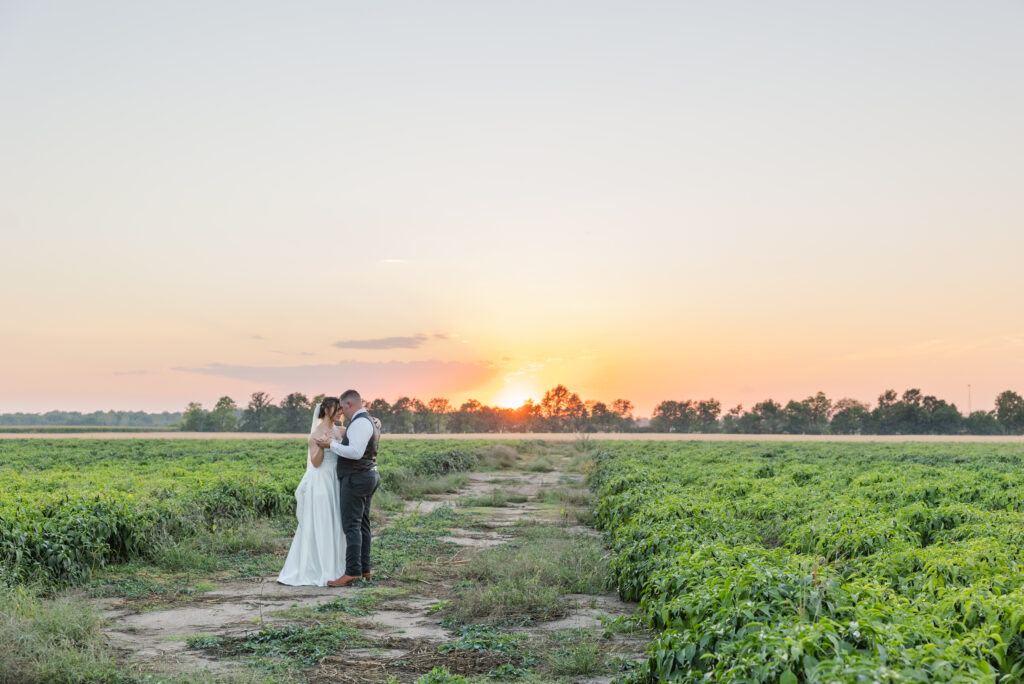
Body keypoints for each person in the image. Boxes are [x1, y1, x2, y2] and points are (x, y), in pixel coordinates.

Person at [276, 398, 346, 586]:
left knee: (336, 520)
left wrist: (374, 423)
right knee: (323, 521)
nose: (340, 411)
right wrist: (324, 447)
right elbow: (315, 463)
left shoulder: (340, 430)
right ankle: (322, 567)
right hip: (323, 481)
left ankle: (340, 565)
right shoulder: (315, 434)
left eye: (341, 409)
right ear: (326, 409)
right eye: (337, 408)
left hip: (336, 480)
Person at [315, 389, 381, 587]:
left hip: (357, 477)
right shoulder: (367, 420)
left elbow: (355, 452)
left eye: (342, 408)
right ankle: (364, 569)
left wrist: (331, 445)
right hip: (366, 475)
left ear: (350, 404)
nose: (341, 413)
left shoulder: (360, 423)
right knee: (362, 524)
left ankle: (352, 572)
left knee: (352, 525)